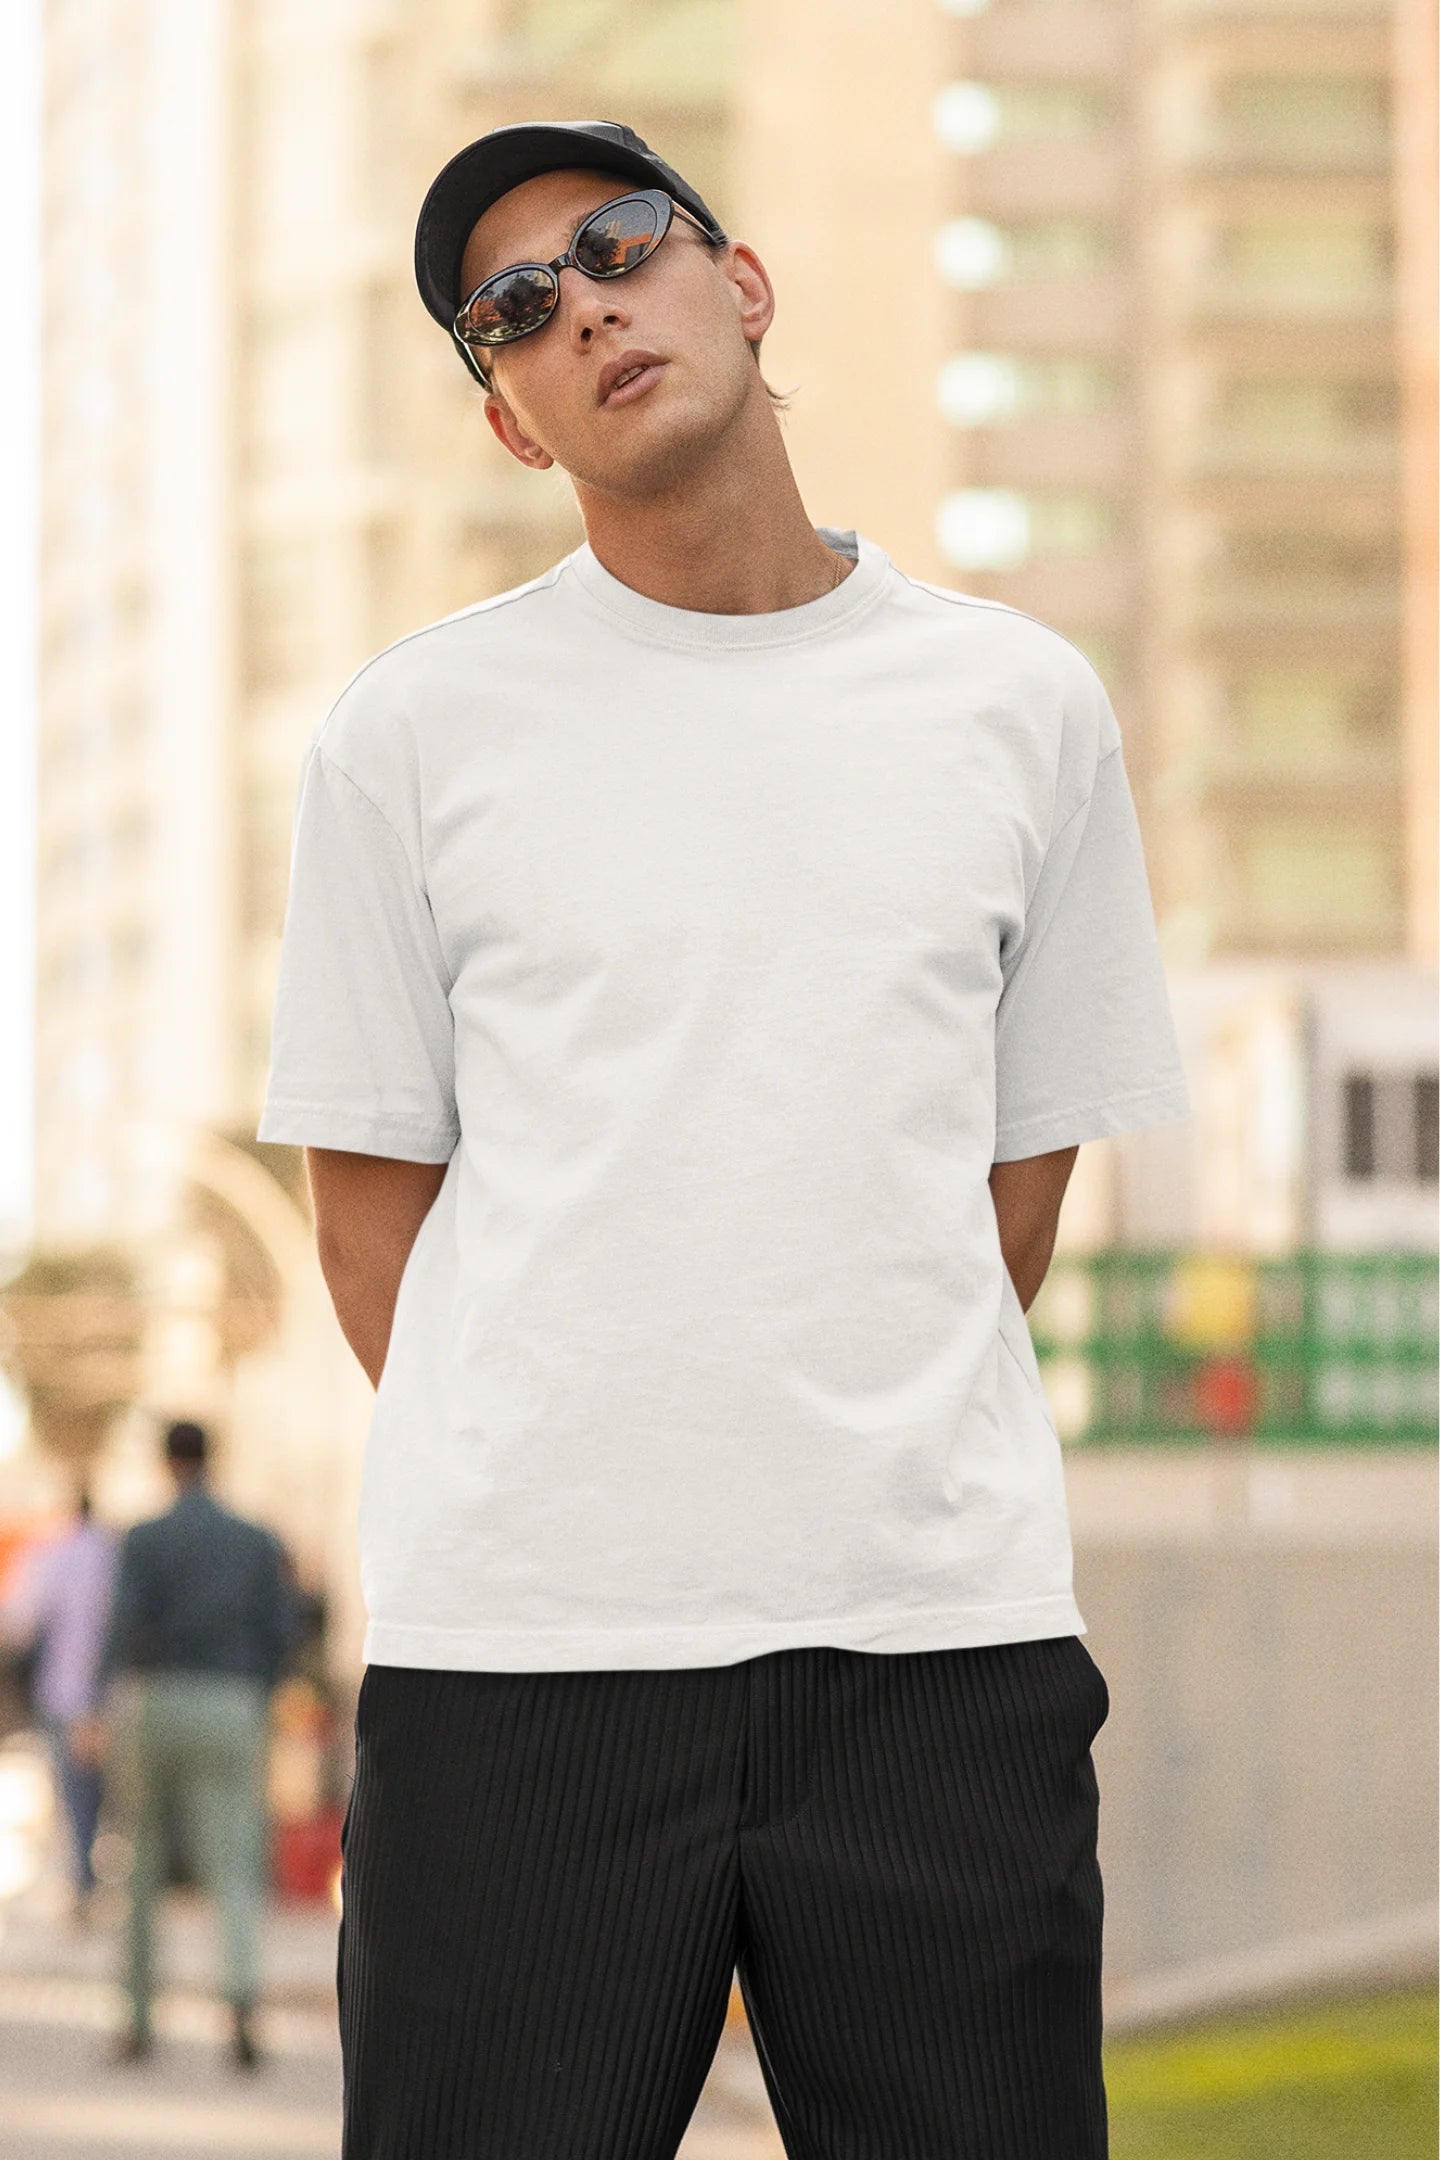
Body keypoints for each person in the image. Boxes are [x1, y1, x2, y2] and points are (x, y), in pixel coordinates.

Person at [257, 119, 1193, 2159]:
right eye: (512, 308)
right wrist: (583, 1480)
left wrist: (834, 1429)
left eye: (617, 247)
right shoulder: (412, 736)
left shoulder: (1020, 704)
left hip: (936, 1652)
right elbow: (368, 1233)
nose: (582, 303)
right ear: (509, 420)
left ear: (741, 283)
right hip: (524, 1666)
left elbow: (1017, 1186)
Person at [73, 1418, 301, 2070]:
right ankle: (238, 2006)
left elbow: (119, 1628)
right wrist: (258, 1691)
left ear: (164, 1461)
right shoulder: (255, 1540)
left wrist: (95, 1706)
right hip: (232, 1702)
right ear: (212, 1458)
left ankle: (138, 2019)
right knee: (232, 1860)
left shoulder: (142, 1539)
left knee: (139, 1861)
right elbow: (281, 1631)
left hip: (155, 1700)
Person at [0, 1485, 119, 1924]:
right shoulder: (115, 1555)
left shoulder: (53, 1555)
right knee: (100, 1792)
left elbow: (18, 1621)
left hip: (65, 1690)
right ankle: (89, 1879)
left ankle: (82, 1880)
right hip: (112, 1694)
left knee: (73, 1791)